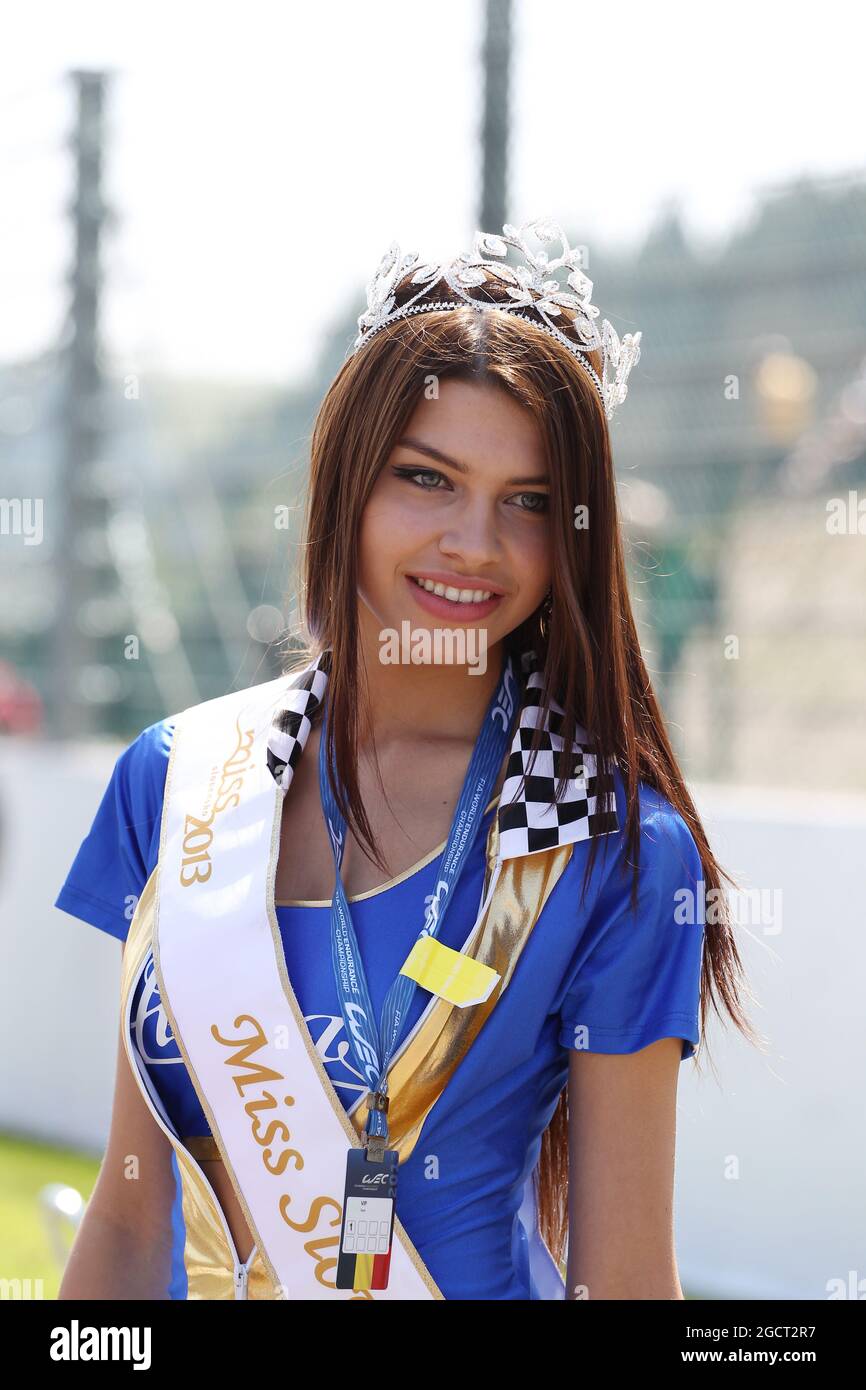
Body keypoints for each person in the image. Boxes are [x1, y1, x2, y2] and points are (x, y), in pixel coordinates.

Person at [54, 216, 759, 1301]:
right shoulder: (179, 776)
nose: (473, 544)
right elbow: (129, 1205)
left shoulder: (603, 845)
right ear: (345, 481)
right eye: (427, 479)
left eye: (525, 501)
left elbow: (623, 1278)